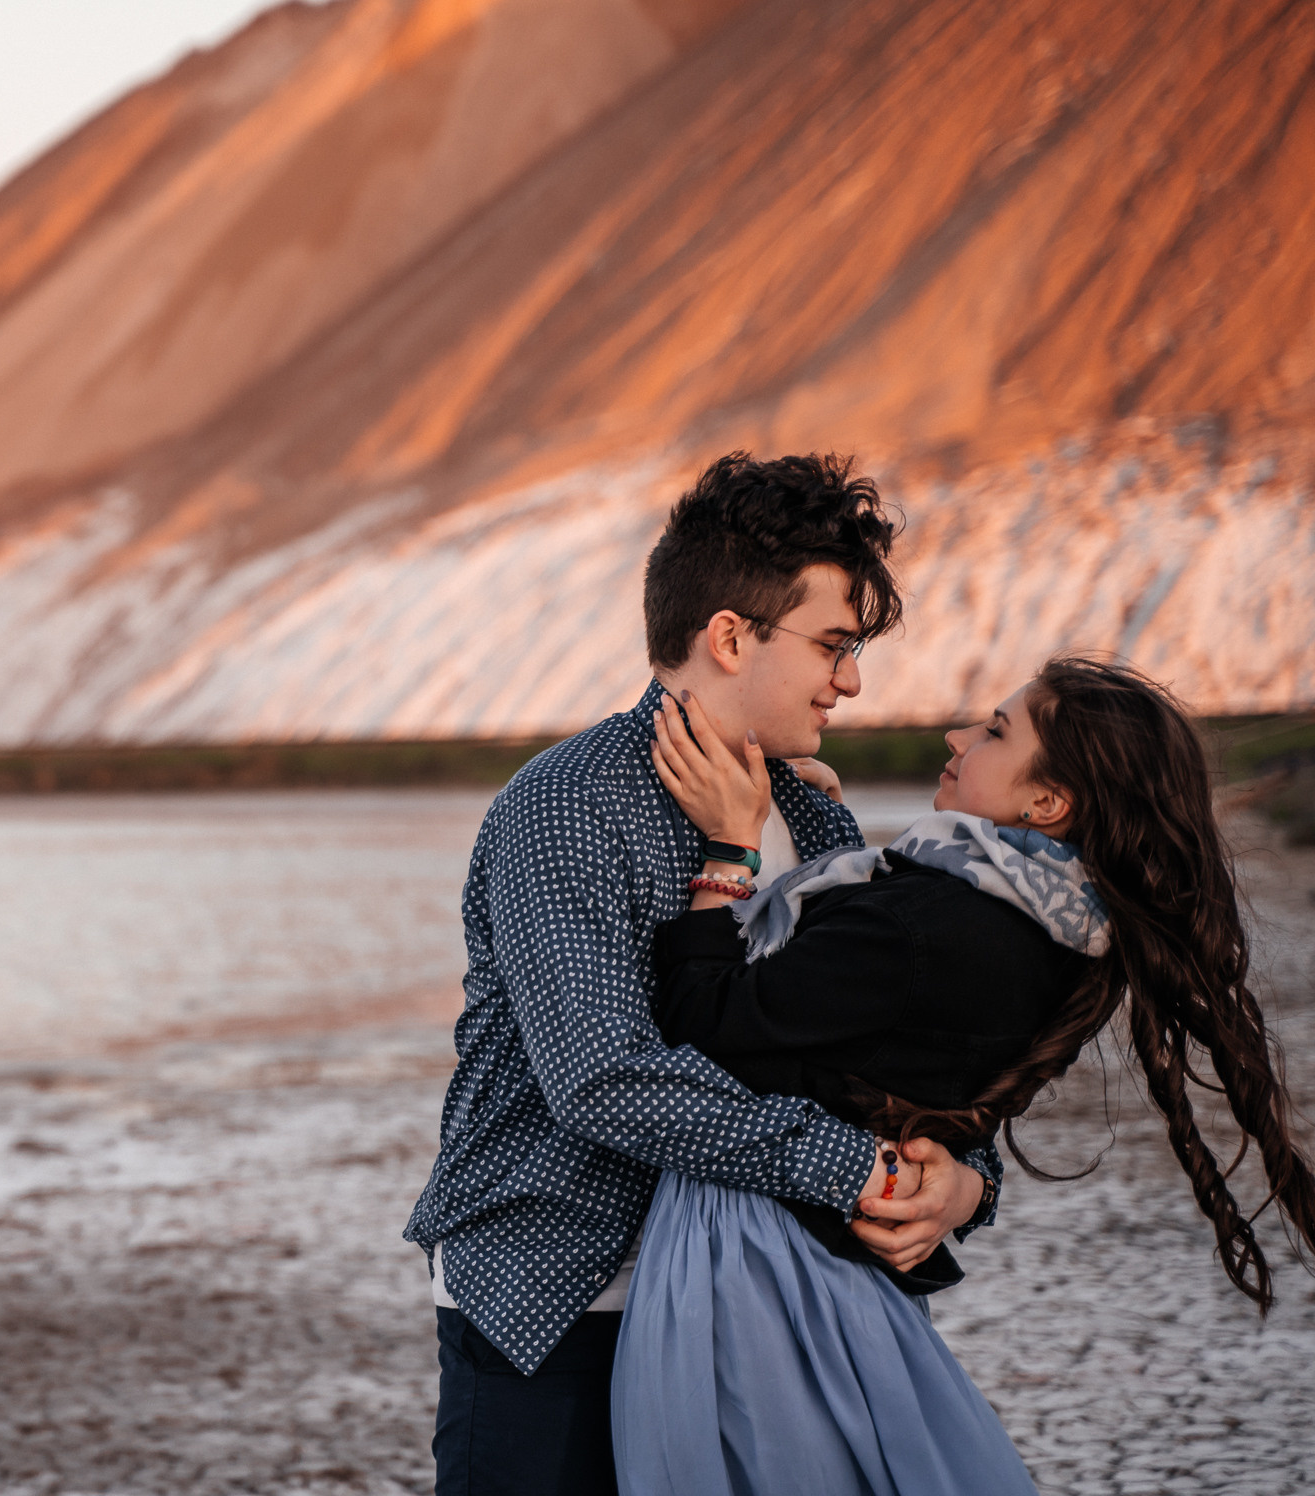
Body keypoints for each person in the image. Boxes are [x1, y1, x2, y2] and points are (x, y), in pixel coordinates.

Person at [404, 452, 994, 1496]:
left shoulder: (812, 812)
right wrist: (846, 1168)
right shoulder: (566, 807)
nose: (850, 680)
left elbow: (879, 1049)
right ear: (730, 636)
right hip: (561, 1305)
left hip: (760, 1300)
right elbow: (603, 1078)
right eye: (831, 645)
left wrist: (958, 1182)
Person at [612, 655, 1315, 1495]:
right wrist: (814, 832)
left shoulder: (933, 923)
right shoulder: (1058, 933)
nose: (956, 736)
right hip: (837, 1267)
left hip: (755, 1264)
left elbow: (698, 1032)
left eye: (994, 731)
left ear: (1045, 804)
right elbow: (860, 1037)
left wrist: (732, 850)